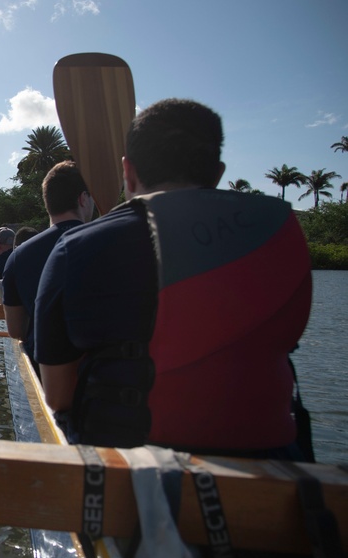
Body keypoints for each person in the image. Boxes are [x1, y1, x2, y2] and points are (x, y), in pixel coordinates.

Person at [34, 99, 312, 458]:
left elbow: (57, 396)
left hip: (135, 469)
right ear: (217, 174)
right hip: (277, 464)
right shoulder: (282, 236)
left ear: (128, 172)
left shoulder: (76, 249)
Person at [1, 161, 93, 371]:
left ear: (47, 202)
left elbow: (16, 330)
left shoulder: (18, 256)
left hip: (45, 369)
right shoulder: (109, 243)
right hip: (102, 374)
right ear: (83, 199)